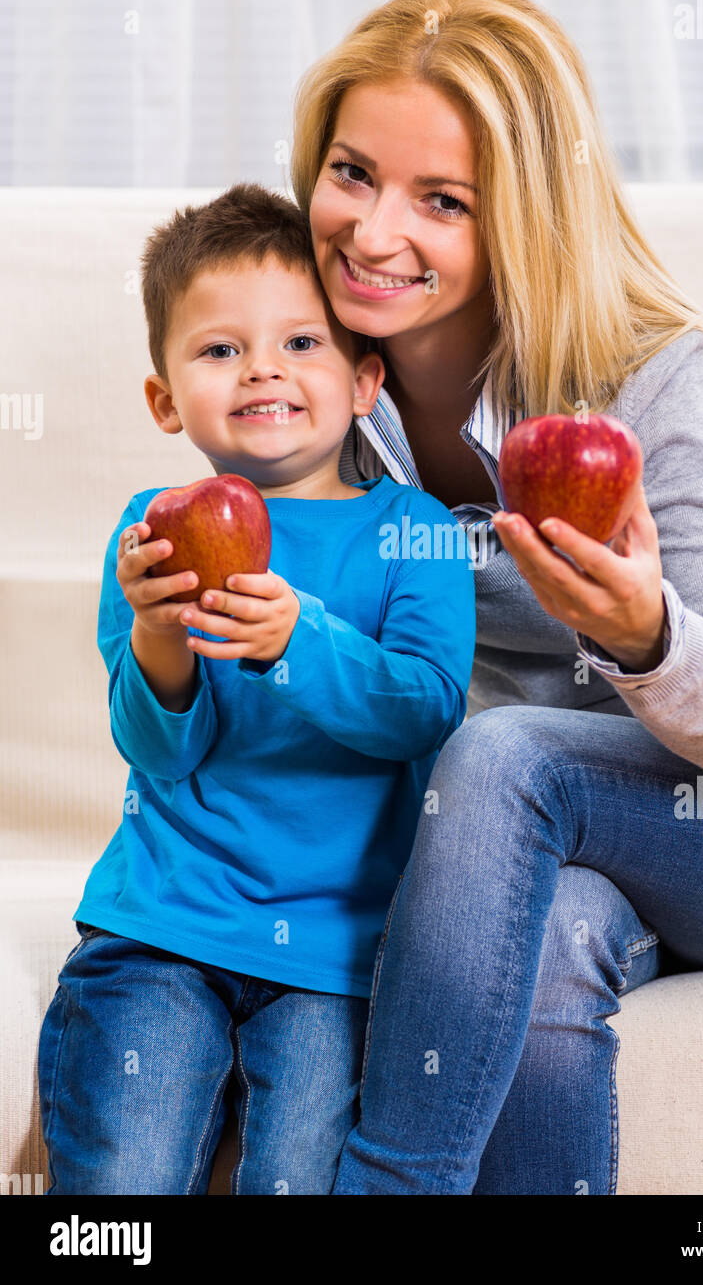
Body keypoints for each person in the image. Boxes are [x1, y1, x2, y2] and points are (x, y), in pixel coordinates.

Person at [286, 0, 703, 1194]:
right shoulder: (318, 387)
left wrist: (645, 637)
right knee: (540, 948)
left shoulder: (646, 378)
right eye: (351, 173)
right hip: (544, 845)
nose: (374, 231)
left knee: (503, 755)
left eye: (441, 201)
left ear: (523, 219)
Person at [36, 182, 476, 1194]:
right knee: (119, 1180)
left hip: (337, 955)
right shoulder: (152, 527)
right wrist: (157, 629)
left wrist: (296, 640)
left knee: (302, 1177)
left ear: (367, 380)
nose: (263, 369)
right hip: (161, 925)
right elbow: (156, 752)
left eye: (302, 344)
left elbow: (425, 710)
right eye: (220, 349)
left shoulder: (416, 534)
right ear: (164, 398)